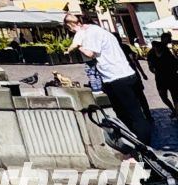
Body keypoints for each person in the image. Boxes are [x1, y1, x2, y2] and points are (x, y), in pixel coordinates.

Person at [67, 11, 155, 142]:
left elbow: (90, 53)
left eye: (70, 28)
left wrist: (77, 45)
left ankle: (143, 146)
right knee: (130, 113)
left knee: (131, 114)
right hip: (126, 74)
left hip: (117, 77)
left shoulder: (91, 33)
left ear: (75, 25)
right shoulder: (100, 30)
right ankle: (139, 144)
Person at [148, 34, 178, 114]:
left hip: (162, 77)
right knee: (174, 96)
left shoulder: (152, 52)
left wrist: (158, 72)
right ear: (164, 39)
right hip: (171, 76)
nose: (171, 39)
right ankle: (175, 110)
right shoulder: (166, 50)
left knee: (165, 96)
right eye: (169, 38)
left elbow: (150, 67)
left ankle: (174, 110)